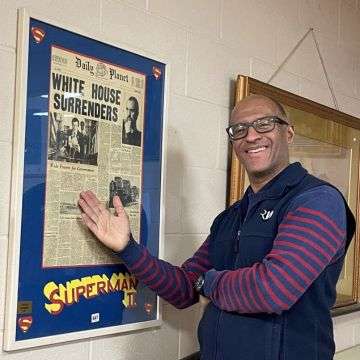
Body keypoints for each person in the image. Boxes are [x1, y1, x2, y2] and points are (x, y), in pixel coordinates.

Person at [78, 95, 355, 360]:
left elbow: (274, 290)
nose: (251, 135)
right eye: (239, 129)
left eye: (264, 124)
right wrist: (128, 248)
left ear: (289, 133)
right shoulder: (230, 217)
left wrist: (206, 282)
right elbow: (184, 289)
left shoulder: (317, 201)